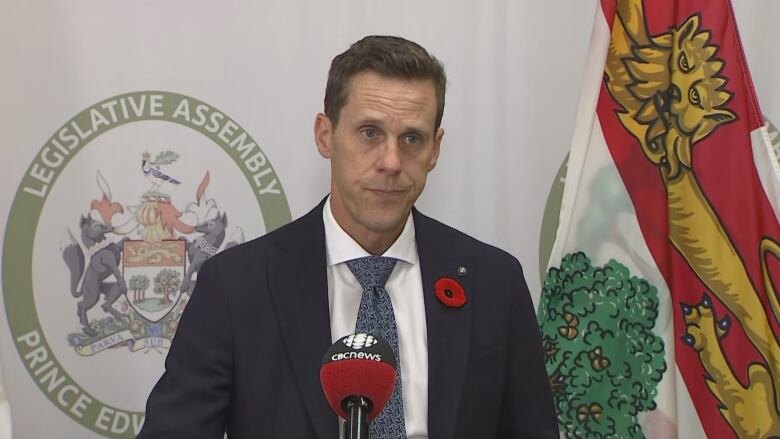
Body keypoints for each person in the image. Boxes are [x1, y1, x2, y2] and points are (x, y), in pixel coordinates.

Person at [138, 35, 558, 439]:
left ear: (435, 149)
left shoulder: (492, 282)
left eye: (412, 138)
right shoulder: (236, 286)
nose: (391, 162)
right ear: (325, 135)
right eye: (370, 133)